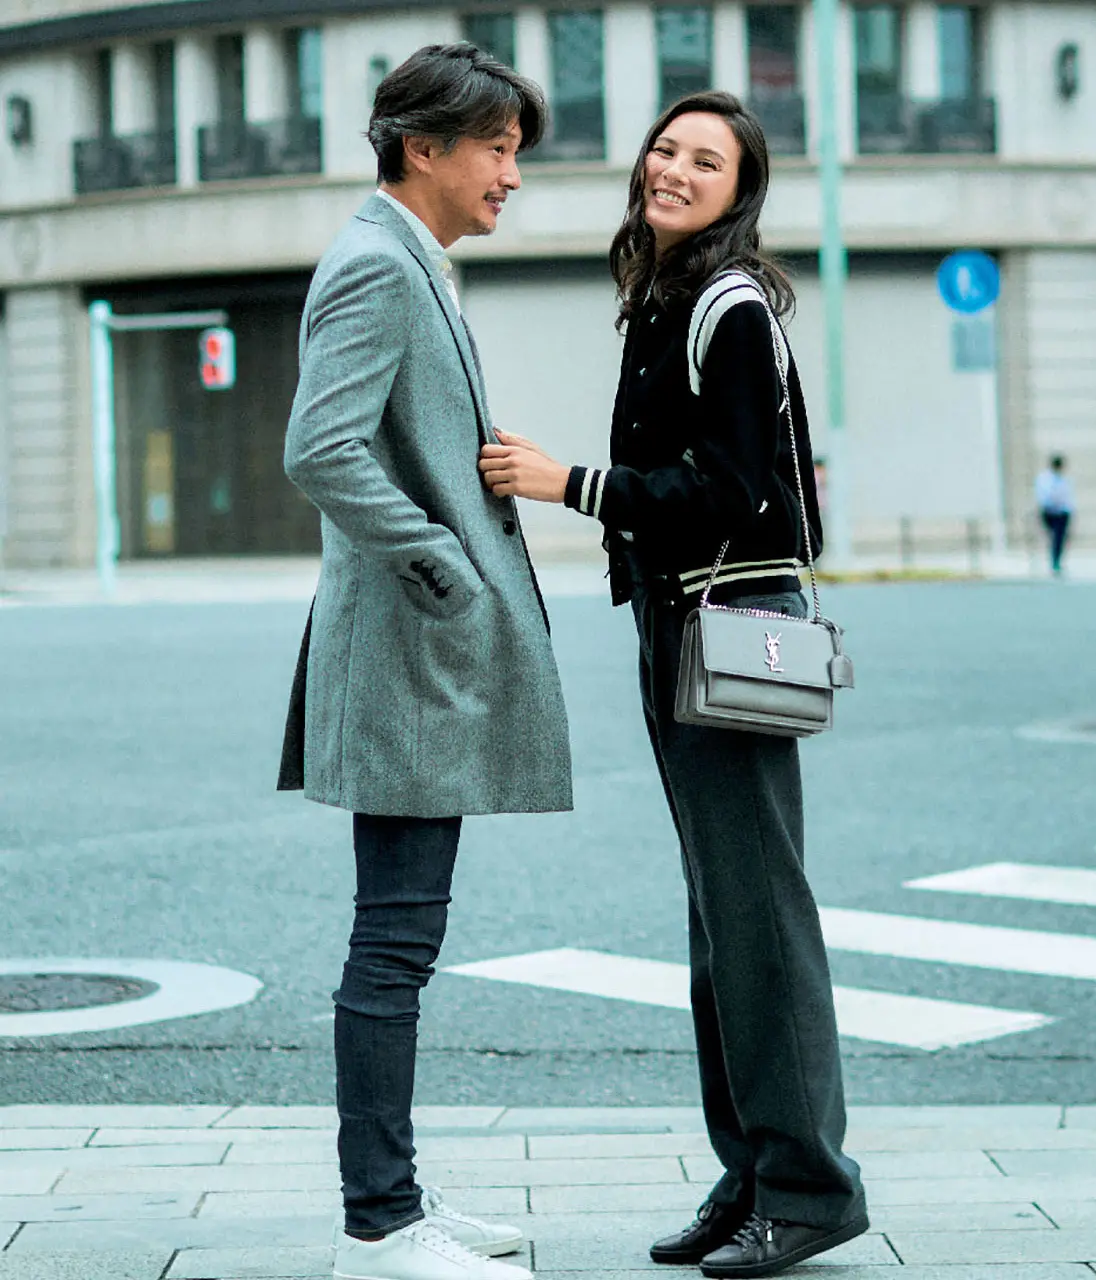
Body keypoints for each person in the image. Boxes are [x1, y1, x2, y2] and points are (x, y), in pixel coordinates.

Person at [478, 91, 868, 1279]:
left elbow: (736, 486)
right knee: (721, 914)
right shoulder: (667, 296)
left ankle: (807, 1184)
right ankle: (752, 1169)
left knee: (757, 911)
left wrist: (572, 484)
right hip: (682, 623)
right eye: (666, 148)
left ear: (736, 190)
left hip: (731, 624)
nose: (674, 168)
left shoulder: (728, 305)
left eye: (706, 160)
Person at [277, 44, 572, 1280]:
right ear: (422, 147)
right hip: (409, 652)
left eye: (514, 149)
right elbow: (319, 448)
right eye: (496, 147)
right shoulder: (377, 266)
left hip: (416, 656)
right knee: (393, 941)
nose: (511, 172)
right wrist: (443, 562)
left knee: (402, 933)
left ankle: (392, 1196)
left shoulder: (408, 259)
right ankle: (380, 1222)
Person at [1034, 454, 1074, 575]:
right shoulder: (1044, 478)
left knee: (1059, 538)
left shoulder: (1064, 479)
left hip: (1062, 512)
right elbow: (1043, 496)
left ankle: (1056, 562)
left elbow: (1068, 497)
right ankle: (1054, 561)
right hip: (1049, 511)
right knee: (1053, 538)